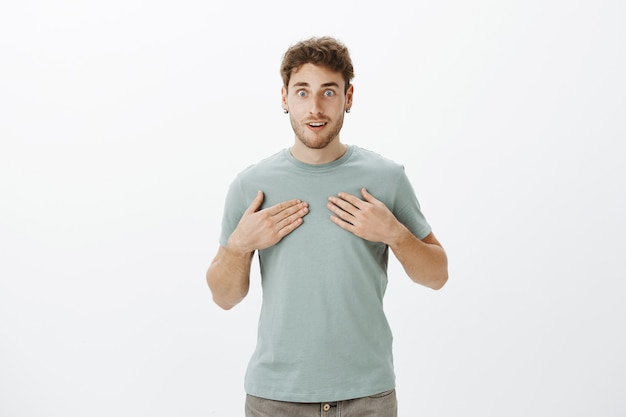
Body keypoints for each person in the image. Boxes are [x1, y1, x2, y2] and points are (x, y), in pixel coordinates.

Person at [206, 36, 448, 417]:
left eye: (328, 92)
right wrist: (239, 247)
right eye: (302, 92)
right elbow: (224, 297)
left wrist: (395, 235)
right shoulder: (250, 186)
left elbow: (437, 275)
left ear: (348, 98)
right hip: (276, 398)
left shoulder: (386, 178)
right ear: (284, 98)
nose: (315, 108)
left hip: (367, 396)